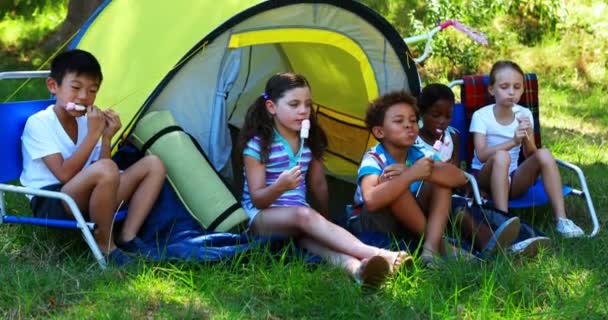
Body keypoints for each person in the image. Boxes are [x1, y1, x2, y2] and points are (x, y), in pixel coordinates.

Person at [239, 72, 410, 287]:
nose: (303, 111)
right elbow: (257, 199)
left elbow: (318, 185)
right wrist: (281, 186)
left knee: (316, 240)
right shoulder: (258, 145)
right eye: (294, 104)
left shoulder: (309, 140)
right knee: (304, 217)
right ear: (272, 108)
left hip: (299, 216)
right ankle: (381, 254)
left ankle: (359, 270)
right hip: (261, 218)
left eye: (308, 105)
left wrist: (326, 224)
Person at [20, 49, 167, 265]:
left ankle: (127, 237)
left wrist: (106, 138)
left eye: (92, 90)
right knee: (106, 169)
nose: (83, 97)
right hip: (54, 201)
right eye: (76, 88)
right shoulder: (38, 123)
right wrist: (93, 134)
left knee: (154, 164)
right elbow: (64, 174)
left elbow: (106, 170)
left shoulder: (85, 122)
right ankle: (105, 244)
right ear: (54, 86)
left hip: (87, 195)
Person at [415, 83, 550, 257]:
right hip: (426, 196)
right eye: (436, 115)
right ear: (421, 112)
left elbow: (455, 172)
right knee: (463, 213)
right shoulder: (413, 138)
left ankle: (524, 238)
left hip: (452, 192)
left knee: (481, 210)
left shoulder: (453, 136)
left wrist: (460, 180)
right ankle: (500, 247)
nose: (442, 121)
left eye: (448, 116)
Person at [352, 90, 470, 268]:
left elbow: (460, 178)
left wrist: (419, 171)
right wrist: (410, 175)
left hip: (411, 222)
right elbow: (371, 200)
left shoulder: (420, 153)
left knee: (442, 180)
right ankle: (443, 246)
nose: (409, 125)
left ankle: (430, 250)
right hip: (377, 223)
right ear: (379, 131)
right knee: (391, 182)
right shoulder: (375, 157)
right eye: (399, 121)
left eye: (413, 120)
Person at [469, 60, 584, 238]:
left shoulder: (524, 113)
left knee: (543, 153)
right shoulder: (481, 116)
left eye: (517, 87)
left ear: (523, 90)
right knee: (502, 157)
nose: (511, 92)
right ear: (492, 90)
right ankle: (502, 221)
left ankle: (562, 220)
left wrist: (527, 136)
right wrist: (513, 141)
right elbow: (482, 155)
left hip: (513, 180)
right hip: (484, 178)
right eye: (504, 87)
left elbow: (531, 155)